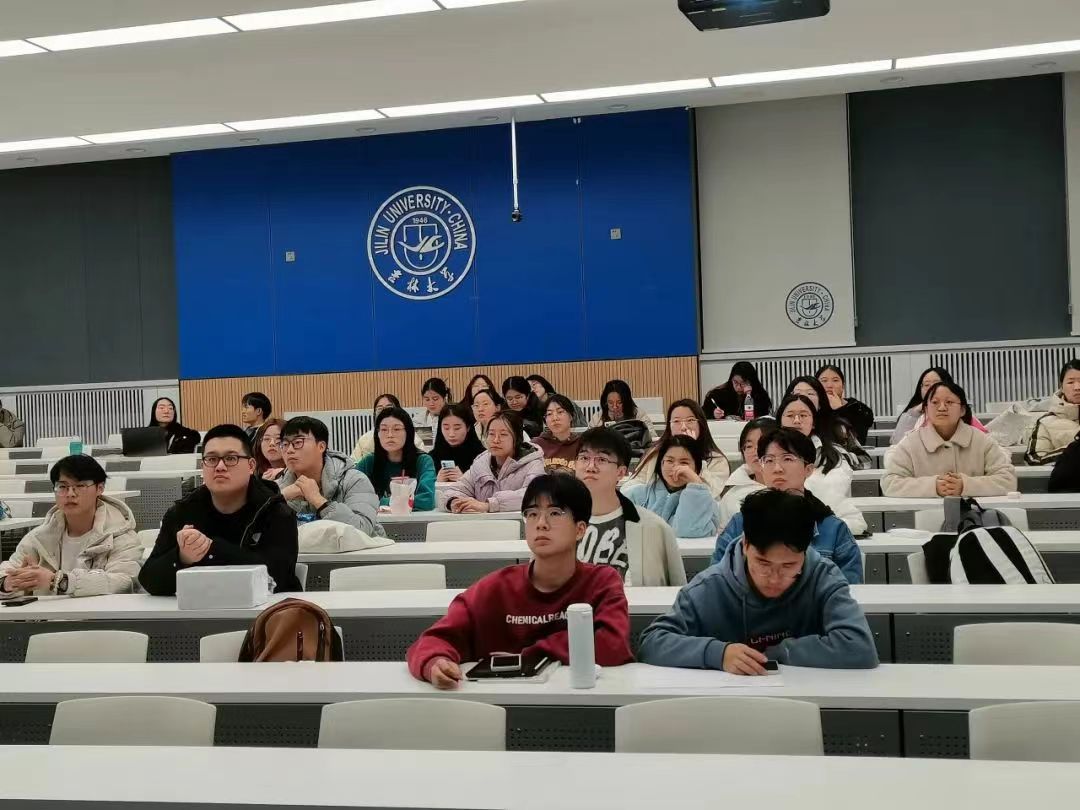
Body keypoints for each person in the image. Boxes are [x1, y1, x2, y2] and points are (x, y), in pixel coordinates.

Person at [407, 474, 634, 689]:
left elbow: (612, 645)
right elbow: (433, 640)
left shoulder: (601, 582)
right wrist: (435, 662)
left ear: (580, 529)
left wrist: (529, 655)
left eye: (555, 513)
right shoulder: (496, 588)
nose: (541, 523)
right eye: (532, 514)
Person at [639, 489, 879, 673]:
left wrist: (780, 652)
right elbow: (652, 642)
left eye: (789, 566)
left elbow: (859, 647)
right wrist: (718, 654)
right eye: (763, 564)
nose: (774, 578)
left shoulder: (824, 577)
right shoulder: (709, 587)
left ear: (806, 551)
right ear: (745, 545)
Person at [139, 424, 301, 595]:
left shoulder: (275, 510)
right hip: (202, 606)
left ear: (251, 465)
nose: (220, 466)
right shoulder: (183, 511)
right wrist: (182, 557)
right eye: (211, 459)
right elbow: (149, 580)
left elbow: (278, 576)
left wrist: (212, 550)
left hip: (268, 608)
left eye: (231, 458)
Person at [713, 428, 862, 583]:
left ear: (808, 469)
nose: (777, 469)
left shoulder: (833, 529)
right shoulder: (740, 524)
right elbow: (718, 582)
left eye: (788, 459)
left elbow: (849, 589)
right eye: (769, 460)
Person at [0, 455, 142, 597]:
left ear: (100, 488)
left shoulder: (122, 537)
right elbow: (7, 570)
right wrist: (8, 583)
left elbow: (124, 581)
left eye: (80, 486)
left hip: (97, 611)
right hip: (48, 611)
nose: (70, 494)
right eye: (62, 487)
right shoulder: (39, 537)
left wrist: (59, 581)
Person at [574, 427, 687, 586]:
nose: (590, 467)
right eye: (584, 458)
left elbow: (676, 593)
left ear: (621, 472)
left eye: (602, 460)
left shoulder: (654, 528)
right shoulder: (558, 524)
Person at [882, 381, 1017, 498]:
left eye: (949, 402)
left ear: (962, 410)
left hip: (974, 515)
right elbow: (890, 482)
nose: (942, 408)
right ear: (926, 410)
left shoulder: (981, 441)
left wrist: (966, 485)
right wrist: (933, 486)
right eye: (935, 402)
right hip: (925, 515)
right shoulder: (911, 443)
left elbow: (1007, 480)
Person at [278, 416, 385, 536]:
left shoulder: (354, 480)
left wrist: (319, 501)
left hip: (359, 548)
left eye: (298, 442)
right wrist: (279, 498)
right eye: (284, 444)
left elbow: (362, 530)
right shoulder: (278, 487)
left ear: (321, 446)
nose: (289, 450)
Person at [776, 394, 866, 535]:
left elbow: (853, 520)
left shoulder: (833, 456)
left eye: (803, 415)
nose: (797, 421)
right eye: (790, 415)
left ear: (813, 422)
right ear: (780, 421)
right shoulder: (766, 454)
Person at [438, 411, 544, 514]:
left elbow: (533, 495)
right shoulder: (481, 463)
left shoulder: (533, 463)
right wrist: (454, 502)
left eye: (503, 434)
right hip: (481, 523)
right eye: (491, 434)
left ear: (517, 439)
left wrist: (488, 505)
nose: (496, 440)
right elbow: (454, 490)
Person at [622, 435, 721, 539]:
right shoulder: (636, 495)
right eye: (669, 461)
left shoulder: (706, 502)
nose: (676, 467)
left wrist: (696, 485)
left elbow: (688, 531)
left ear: (696, 468)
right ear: (661, 463)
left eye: (684, 462)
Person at [627, 400, 730, 498]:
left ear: (701, 424)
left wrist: (694, 452)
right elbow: (631, 487)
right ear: (669, 427)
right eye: (676, 421)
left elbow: (711, 494)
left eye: (690, 420)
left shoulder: (716, 459)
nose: (683, 427)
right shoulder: (656, 453)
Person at [355, 406, 436, 511]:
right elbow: (350, 494)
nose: (390, 435)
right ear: (377, 433)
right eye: (384, 429)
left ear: (408, 432)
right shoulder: (369, 462)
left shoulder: (423, 461)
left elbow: (426, 500)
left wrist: (381, 502)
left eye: (396, 429)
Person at [890, 368, 988, 445]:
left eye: (936, 384)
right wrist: (915, 412)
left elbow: (982, 440)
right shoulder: (913, 414)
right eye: (927, 385)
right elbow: (897, 444)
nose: (931, 388)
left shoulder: (960, 411)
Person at [718, 417, 774, 530]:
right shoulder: (733, 496)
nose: (755, 451)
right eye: (749, 446)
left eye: (763, 443)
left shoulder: (799, 487)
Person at [1029, 359, 1080, 464]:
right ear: (1061, 387)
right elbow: (1035, 459)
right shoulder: (1046, 422)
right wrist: (1073, 450)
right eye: (1070, 382)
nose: (1077, 387)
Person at [351, 394, 423, 461]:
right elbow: (353, 463)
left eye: (389, 407)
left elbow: (422, 458)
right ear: (374, 414)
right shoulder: (365, 440)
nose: (384, 412)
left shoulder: (412, 437)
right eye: (379, 409)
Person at [817, 365, 875, 445]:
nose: (829, 385)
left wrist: (841, 409)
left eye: (835, 380)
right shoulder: (812, 408)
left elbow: (858, 438)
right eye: (824, 381)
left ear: (843, 386)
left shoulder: (857, 407)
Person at [430, 402, 485, 483]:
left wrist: (465, 480)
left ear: (468, 427)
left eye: (457, 428)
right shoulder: (431, 459)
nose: (451, 434)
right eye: (446, 428)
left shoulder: (482, 457)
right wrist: (436, 482)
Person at [588, 379, 656, 444]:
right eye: (610, 403)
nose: (615, 407)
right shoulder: (597, 418)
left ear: (626, 402)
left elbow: (652, 437)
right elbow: (587, 441)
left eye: (619, 402)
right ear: (605, 402)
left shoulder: (638, 414)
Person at [702, 361, 772, 421]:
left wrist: (749, 396)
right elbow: (703, 414)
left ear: (751, 382)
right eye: (735, 382)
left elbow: (763, 417)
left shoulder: (760, 395)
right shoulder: (718, 394)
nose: (738, 387)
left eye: (743, 383)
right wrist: (713, 414)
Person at [533, 394, 583, 474]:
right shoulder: (536, 445)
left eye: (560, 412)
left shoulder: (582, 444)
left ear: (571, 416)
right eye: (549, 414)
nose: (555, 418)